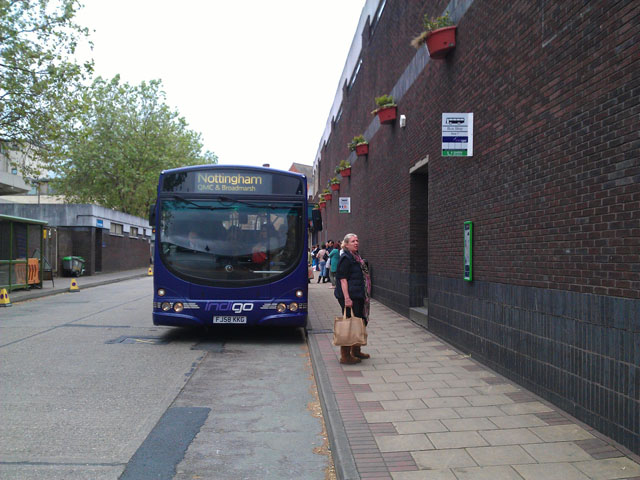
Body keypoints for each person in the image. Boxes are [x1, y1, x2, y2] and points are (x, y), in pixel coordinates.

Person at [334, 233, 371, 364]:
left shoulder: (356, 257)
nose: (356, 243)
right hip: (350, 296)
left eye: (357, 240)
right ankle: (345, 356)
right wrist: (347, 298)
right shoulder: (346, 257)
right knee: (349, 323)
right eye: (353, 241)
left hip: (358, 294)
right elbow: (342, 279)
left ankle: (356, 350)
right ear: (346, 244)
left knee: (359, 321)